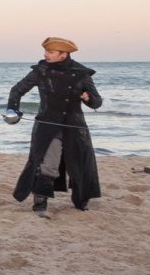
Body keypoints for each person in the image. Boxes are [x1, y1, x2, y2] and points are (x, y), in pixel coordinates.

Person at [6, 36, 103, 217]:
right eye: (46, 51)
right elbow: (17, 90)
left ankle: (81, 202)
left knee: (79, 166)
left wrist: (89, 99)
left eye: (50, 52)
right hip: (48, 125)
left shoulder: (81, 73)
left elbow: (97, 102)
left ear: (63, 54)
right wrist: (13, 111)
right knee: (48, 164)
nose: (46, 55)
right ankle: (40, 205)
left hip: (75, 127)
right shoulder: (40, 71)